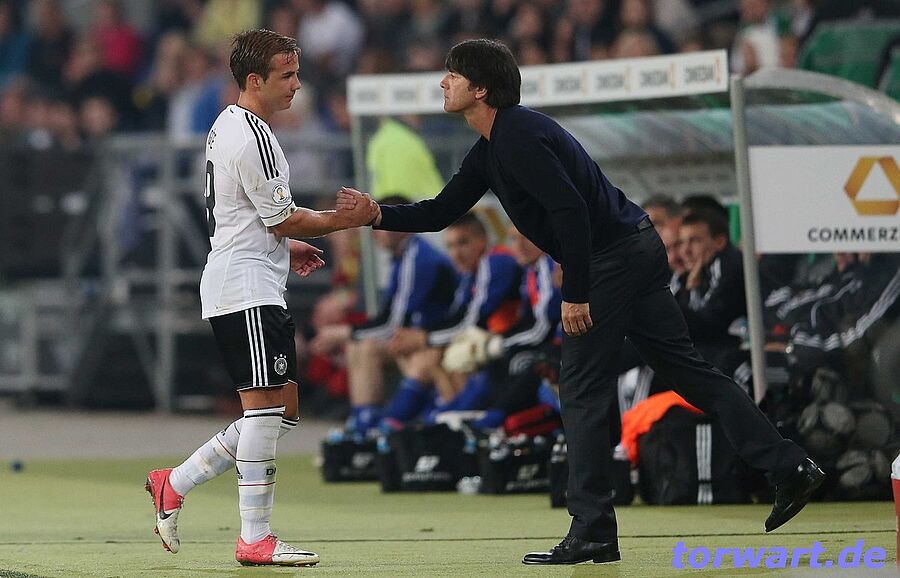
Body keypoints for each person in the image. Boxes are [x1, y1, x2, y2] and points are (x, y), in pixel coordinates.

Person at [337, 38, 823, 565]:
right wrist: (377, 214)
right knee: (687, 371)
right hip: (633, 246)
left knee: (581, 388)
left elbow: (569, 210)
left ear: (481, 89)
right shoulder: (493, 146)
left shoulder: (517, 135)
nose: (442, 82)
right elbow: (439, 212)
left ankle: (592, 527)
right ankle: (789, 465)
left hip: (613, 258)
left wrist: (576, 293)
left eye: (453, 74)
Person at [144, 29, 377, 567]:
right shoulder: (253, 137)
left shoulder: (229, 123)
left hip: (252, 279)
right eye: (287, 75)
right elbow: (283, 216)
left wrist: (285, 245)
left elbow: (243, 215)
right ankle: (255, 536)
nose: (297, 85)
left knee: (282, 411)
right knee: (266, 411)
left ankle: (174, 483)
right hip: (244, 287)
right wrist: (346, 220)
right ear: (255, 80)